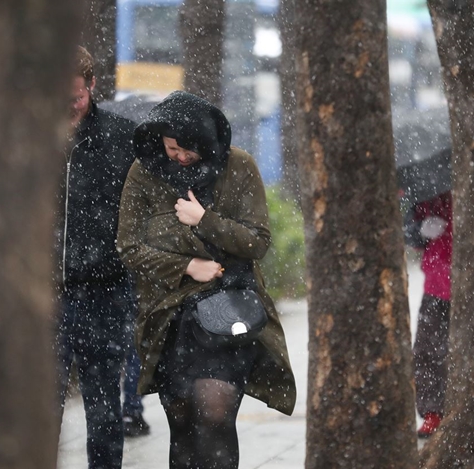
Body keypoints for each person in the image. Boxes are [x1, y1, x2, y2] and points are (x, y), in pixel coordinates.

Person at [117, 90, 296, 469]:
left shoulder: (239, 166)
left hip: (228, 309)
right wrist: (185, 267)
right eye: (171, 148)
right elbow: (129, 247)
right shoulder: (143, 171)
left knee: (215, 413)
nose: (179, 157)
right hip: (168, 315)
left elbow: (257, 241)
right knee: (181, 420)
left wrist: (205, 221)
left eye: (189, 149)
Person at [54, 45, 147, 468]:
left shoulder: (121, 137)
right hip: (44, 296)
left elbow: (145, 210)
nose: (69, 106)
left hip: (104, 295)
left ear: (92, 85)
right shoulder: (30, 139)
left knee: (104, 408)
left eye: (75, 96)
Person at [407, 190, 453, 438]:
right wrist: (421, 231)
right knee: (426, 350)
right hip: (436, 286)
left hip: (471, 285)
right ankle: (433, 413)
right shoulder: (424, 192)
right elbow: (409, 235)